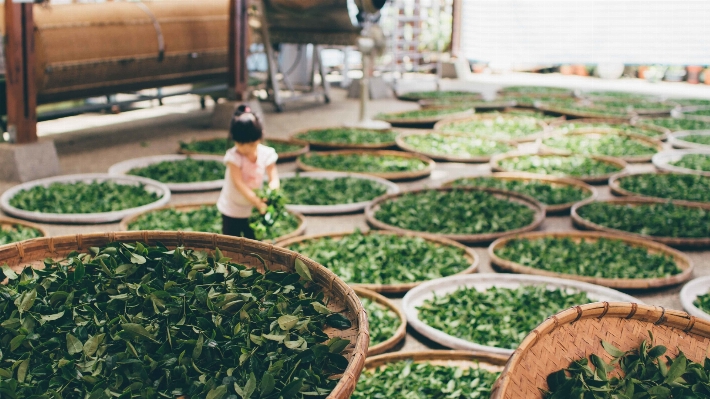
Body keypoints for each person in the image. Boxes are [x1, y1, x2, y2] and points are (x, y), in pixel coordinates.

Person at [217, 105, 280, 239]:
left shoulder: (267, 154)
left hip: (252, 210)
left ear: (260, 138)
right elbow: (239, 183)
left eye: (251, 145)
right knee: (230, 244)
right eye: (240, 144)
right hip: (232, 209)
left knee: (254, 244)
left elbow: (273, 178)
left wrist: (269, 194)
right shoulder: (233, 157)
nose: (245, 149)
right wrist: (257, 202)